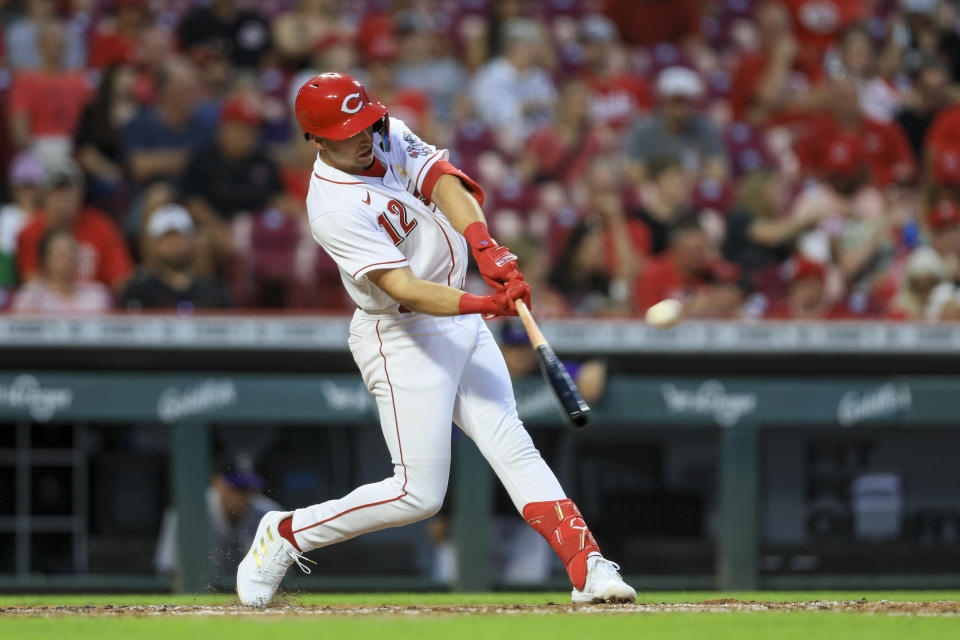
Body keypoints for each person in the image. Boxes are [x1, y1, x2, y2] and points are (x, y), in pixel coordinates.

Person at [235, 72, 636, 607]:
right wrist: (484, 303)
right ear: (314, 138)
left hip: (456, 314)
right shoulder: (331, 205)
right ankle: (286, 534)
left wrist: (486, 246)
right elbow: (404, 289)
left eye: (366, 123)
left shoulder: (387, 135)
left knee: (509, 440)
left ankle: (587, 566)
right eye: (346, 131)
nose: (363, 137)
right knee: (418, 495)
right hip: (402, 334)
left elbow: (445, 180)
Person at [156, 453, 282, 585]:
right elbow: (167, 568)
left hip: (253, 594)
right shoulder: (190, 510)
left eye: (249, 488)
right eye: (237, 487)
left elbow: (282, 573)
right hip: (198, 594)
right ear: (216, 482)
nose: (244, 495)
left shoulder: (269, 514)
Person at [16, 157, 133, 292]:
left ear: (81, 193)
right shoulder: (30, 232)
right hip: (48, 307)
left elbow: (122, 280)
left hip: (95, 307)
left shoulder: (103, 227)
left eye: (70, 189)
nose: (64, 196)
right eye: (57, 189)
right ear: (45, 195)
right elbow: (31, 283)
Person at [121, 204, 234, 311]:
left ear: (191, 240)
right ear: (154, 244)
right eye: (167, 237)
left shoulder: (215, 294)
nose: (174, 243)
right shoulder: (138, 293)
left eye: (180, 236)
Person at [7, 20, 92, 160]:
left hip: (73, 149)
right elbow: (19, 128)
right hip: (36, 147)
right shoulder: (24, 82)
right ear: (40, 44)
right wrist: (34, 152)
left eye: (59, 42)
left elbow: (90, 125)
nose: (56, 46)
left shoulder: (80, 82)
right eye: (51, 41)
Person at [469, 18, 556, 154]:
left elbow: (552, 108)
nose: (534, 52)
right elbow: (489, 115)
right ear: (512, 46)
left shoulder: (539, 76)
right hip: (497, 147)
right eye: (529, 46)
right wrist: (526, 107)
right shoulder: (491, 74)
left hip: (537, 147)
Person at [625, 67, 727, 182]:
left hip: (693, 192)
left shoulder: (705, 129)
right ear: (663, 100)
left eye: (686, 101)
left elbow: (719, 170)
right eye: (675, 100)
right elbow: (634, 173)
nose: (680, 108)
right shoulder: (644, 130)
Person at [10, 228, 113, 313]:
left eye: (73, 252)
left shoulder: (98, 294)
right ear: (45, 260)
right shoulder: (31, 296)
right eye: (62, 255)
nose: (69, 259)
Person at [0, 152, 44, 300]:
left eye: (32, 187)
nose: (27, 192)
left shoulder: (45, 216)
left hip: (38, 278)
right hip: (7, 281)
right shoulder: (5, 215)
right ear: (14, 189)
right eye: (23, 187)